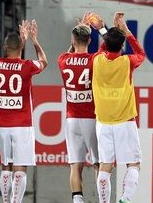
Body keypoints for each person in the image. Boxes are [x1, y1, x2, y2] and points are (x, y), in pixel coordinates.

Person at [85, 11, 146, 203]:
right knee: (133, 164)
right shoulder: (127, 62)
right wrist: (126, 31)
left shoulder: (96, 60)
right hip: (125, 121)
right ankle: (126, 199)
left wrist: (102, 29)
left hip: (102, 122)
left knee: (105, 166)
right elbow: (141, 54)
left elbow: (106, 46)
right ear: (122, 46)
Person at [0, 21, 48, 203]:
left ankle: (5, 201)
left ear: (4, 47)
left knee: (6, 166)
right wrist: (33, 40)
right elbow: (43, 62)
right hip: (23, 125)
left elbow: (10, 60)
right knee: (20, 168)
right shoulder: (27, 66)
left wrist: (21, 42)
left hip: (2, 125)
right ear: (22, 46)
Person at [58, 21, 98, 203]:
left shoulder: (63, 59)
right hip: (92, 118)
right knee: (99, 163)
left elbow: (69, 54)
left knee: (75, 166)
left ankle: (77, 200)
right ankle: (102, 199)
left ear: (73, 40)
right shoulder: (95, 60)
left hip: (72, 120)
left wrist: (74, 40)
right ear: (89, 41)